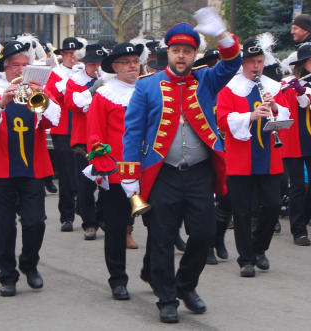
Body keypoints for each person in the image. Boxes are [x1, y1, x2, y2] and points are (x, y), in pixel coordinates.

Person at [121, 8, 241, 322]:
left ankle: (186, 285)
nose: (181, 56)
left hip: (200, 172)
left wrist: (223, 34)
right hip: (162, 173)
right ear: (169, 53)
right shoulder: (147, 87)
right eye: (176, 51)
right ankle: (166, 298)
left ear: (194, 55)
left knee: (203, 234)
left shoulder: (206, 79)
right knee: (161, 237)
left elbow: (232, 62)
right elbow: (132, 132)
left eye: (187, 51)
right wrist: (130, 175)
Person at [0, 38, 60, 297]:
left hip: (33, 168)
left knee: (36, 223)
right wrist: (1, 103)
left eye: (25, 65)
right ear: (5, 68)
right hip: (0, 170)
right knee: (2, 226)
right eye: (14, 66)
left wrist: (39, 96)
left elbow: (55, 119)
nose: (20, 71)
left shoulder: (38, 89)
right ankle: (7, 275)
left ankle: (30, 264)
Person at [216, 36, 291, 278]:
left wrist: (275, 108)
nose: (256, 66)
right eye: (251, 62)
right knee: (243, 210)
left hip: (269, 155)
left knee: (271, 205)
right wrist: (251, 116)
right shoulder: (229, 88)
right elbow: (223, 120)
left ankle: (260, 248)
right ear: (242, 63)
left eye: (259, 61)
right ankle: (246, 258)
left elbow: (287, 119)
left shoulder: (273, 86)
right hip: (240, 157)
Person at [85, 41, 145, 300]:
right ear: (116, 67)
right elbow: (95, 135)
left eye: (135, 61)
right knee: (117, 228)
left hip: (150, 170)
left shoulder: (149, 89)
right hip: (118, 173)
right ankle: (117, 279)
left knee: (161, 226)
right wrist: (105, 168)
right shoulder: (105, 94)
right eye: (126, 63)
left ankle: (154, 270)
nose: (133, 66)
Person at [280, 43, 311, 246]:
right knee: (298, 186)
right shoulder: (288, 83)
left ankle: (303, 218)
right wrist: (292, 88)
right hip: (294, 140)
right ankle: (298, 229)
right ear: (301, 64)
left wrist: (305, 91)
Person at [65, 43, 107, 240]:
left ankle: (101, 215)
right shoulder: (75, 81)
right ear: (85, 64)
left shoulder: (109, 79)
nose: (95, 67)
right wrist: (92, 91)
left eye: (98, 63)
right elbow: (73, 104)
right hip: (83, 139)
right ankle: (89, 223)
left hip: (105, 138)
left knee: (108, 183)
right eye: (91, 63)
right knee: (85, 185)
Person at [44, 36, 85, 232]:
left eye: (75, 54)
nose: (72, 57)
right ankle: (66, 216)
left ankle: (87, 213)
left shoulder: (84, 72)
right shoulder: (55, 74)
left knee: (85, 173)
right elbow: (54, 95)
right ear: (62, 55)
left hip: (83, 128)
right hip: (63, 129)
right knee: (67, 175)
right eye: (68, 54)